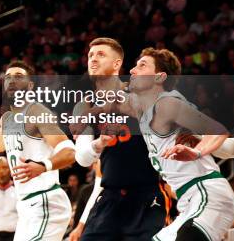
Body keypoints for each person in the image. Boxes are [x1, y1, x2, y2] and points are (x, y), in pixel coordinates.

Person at [124, 47, 234, 241]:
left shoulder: (168, 104)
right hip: (187, 202)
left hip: (208, 194)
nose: (133, 70)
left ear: (159, 77)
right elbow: (106, 96)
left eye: (142, 65)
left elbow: (218, 130)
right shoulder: (142, 111)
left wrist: (197, 152)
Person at [0, 61, 75, 241]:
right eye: (8, 77)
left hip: (45, 200)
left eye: (18, 77)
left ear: (30, 85)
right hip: (26, 206)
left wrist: (44, 166)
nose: (11, 81)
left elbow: (69, 151)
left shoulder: (37, 111)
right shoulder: (8, 118)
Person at [70, 37, 169, 241]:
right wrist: (99, 143)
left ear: (117, 63)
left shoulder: (138, 93)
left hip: (146, 193)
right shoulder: (83, 104)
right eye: (90, 55)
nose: (93, 59)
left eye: (100, 54)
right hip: (110, 195)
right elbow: (82, 158)